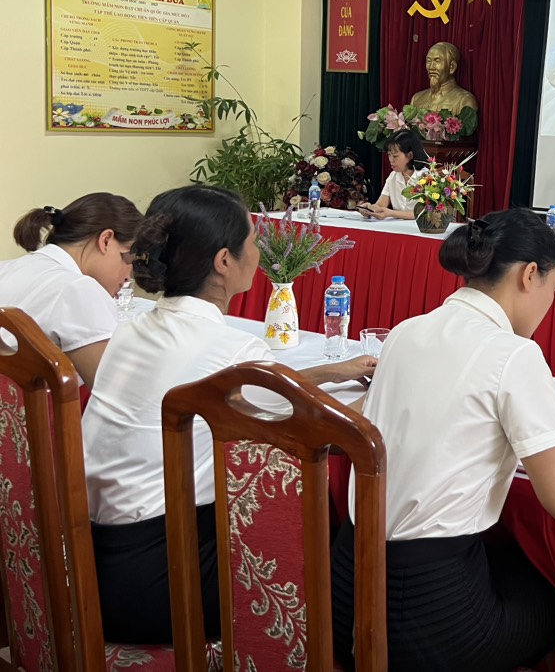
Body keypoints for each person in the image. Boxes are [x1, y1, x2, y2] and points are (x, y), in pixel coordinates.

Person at [331, 208, 555, 672]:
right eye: (552, 289)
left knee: (506, 560)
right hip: (427, 618)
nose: (549, 306)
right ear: (530, 275)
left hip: (345, 590)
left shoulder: (407, 331)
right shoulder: (514, 354)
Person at [82, 185, 377, 645]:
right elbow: (336, 429)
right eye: (253, 241)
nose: (258, 253)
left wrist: (330, 371)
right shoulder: (233, 351)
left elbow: (244, 383)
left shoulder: (132, 330)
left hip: (95, 567)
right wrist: (395, 386)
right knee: (330, 528)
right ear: (224, 261)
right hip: (164, 585)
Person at [0, 193, 143, 388]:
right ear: (106, 240)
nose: (128, 276)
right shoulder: (79, 289)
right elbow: (116, 393)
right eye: (127, 259)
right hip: (40, 407)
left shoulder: (5, 268)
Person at [360, 130, 427, 220]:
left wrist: (391, 213)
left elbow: (424, 213)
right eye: (389, 155)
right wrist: (369, 208)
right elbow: (380, 205)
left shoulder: (426, 177)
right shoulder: (393, 176)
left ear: (410, 155)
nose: (391, 160)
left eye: (395, 156)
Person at [410, 41, 479, 116]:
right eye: (429, 61)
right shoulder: (417, 98)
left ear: (452, 67)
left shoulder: (464, 100)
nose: (431, 67)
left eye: (437, 61)